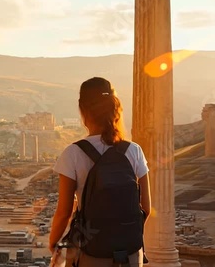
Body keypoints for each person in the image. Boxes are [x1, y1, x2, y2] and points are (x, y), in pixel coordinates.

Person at [48, 77, 152, 267]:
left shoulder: (73, 153)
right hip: (131, 253)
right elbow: (145, 207)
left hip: (91, 251)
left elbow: (64, 212)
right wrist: (124, 236)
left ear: (83, 110)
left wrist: (54, 243)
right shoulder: (134, 150)